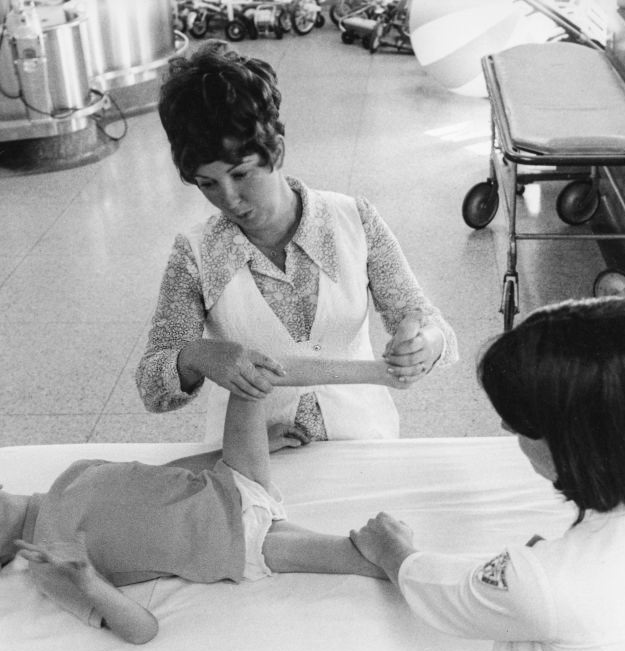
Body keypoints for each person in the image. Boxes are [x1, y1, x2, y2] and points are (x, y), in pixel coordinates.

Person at [350, 296, 625, 651]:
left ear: (572, 445)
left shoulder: (541, 584)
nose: (508, 431)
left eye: (519, 423)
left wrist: (392, 550)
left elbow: (447, 593)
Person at [0, 357, 403, 644]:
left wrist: (250, 447)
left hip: (230, 484)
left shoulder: (69, 476)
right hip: (235, 543)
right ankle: (437, 572)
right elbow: (141, 631)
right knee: (362, 556)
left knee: (248, 372)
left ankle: (375, 371)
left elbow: (161, 476)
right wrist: (87, 580)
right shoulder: (49, 565)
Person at [136, 40, 458, 442]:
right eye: (207, 184)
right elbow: (152, 386)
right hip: (250, 458)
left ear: (277, 152)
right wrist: (197, 356)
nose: (229, 200)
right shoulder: (196, 255)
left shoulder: (355, 221)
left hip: (362, 442)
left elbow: (426, 321)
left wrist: (425, 343)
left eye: (241, 175)